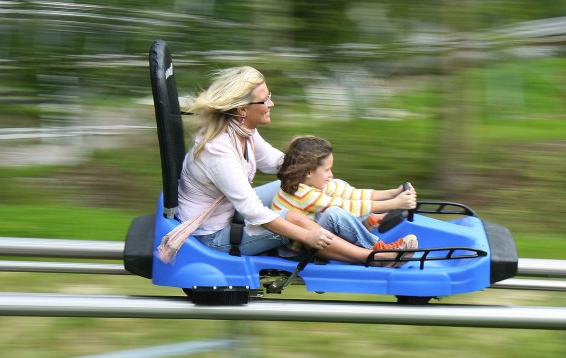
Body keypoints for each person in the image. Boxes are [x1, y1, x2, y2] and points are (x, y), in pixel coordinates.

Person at [177, 66, 408, 266]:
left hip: (230, 211)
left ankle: (360, 217)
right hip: (212, 237)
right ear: (242, 110)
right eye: (265, 100)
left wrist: (317, 172)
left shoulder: (242, 132)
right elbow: (255, 213)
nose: (271, 103)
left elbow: (280, 164)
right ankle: (373, 256)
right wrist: (307, 236)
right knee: (300, 220)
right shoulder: (218, 151)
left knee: (307, 184)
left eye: (270, 96)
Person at [272, 135, 419, 255]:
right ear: (308, 172)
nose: (330, 174)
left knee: (339, 185)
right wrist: (393, 204)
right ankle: (378, 249)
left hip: (313, 234)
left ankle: (368, 221)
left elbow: (352, 194)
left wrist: (393, 193)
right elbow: (344, 207)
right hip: (299, 249)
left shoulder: (309, 183)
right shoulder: (303, 194)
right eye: (327, 170)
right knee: (334, 214)